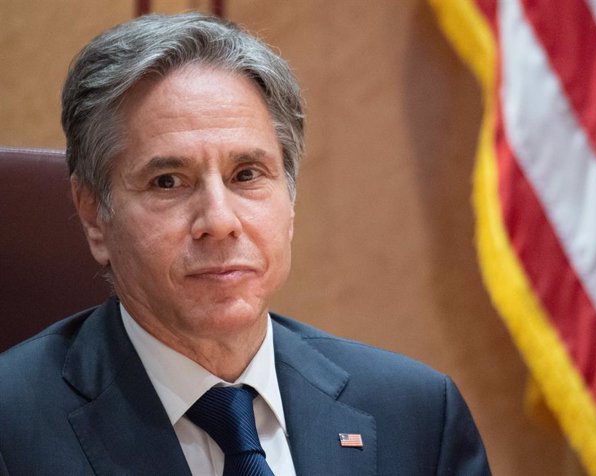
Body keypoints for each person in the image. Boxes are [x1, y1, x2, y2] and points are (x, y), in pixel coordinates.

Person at [0, 12, 490, 475]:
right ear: (93, 215)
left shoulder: (417, 415)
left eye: (247, 174)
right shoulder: (12, 429)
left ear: (290, 201)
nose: (219, 220)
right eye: (168, 181)